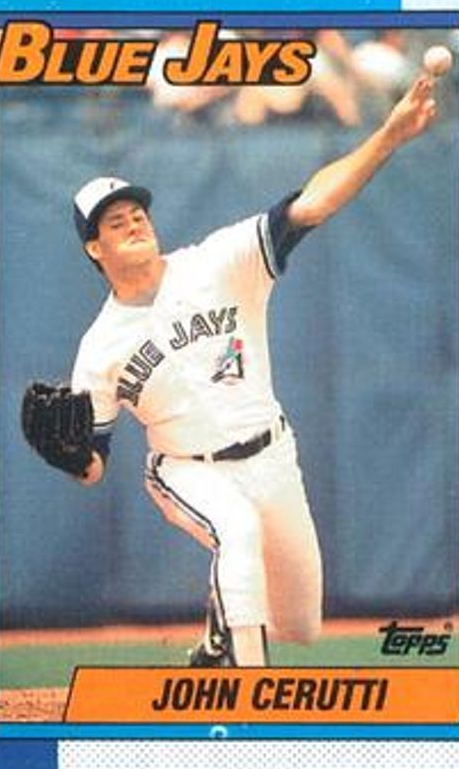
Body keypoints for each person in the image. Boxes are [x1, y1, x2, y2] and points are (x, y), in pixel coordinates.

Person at [65, 74, 437, 667]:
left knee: (300, 623)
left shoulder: (217, 263)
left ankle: (219, 634)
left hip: (272, 457)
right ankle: (247, 687)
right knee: (235, 530)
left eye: (137, 213)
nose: (134, 222)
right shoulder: (98, 348)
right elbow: (92, 463)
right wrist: (71, 458)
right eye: (115, 222)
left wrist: (388, 135)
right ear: (94, 249)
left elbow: (311, 203)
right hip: (187, 469)